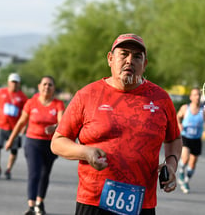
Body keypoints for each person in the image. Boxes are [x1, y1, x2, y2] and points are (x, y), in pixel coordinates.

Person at [51, 33, 182, 215]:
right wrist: (86, 152)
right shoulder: (87, 95)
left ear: (144, 65)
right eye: (124, 54)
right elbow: (58, 141)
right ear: (110, 59)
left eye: (137, 56)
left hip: (141, 203)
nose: (130, 60)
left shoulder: (161, 99)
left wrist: (172, 165)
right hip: (93, 200)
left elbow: (174, 139)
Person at [6, 76, 65, 215]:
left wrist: (55, 127)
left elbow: (62, 122)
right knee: (35, 173)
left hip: (50, 144)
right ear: (39, 86)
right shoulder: (31, 103)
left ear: (53, 88)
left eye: (50, 85)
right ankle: (31, 205)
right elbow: (21, 122)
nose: (47, 87)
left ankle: (40, 202)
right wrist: (11, 139)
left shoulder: (58, 104)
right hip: (33, 142)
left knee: (45, 174)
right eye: (44, 84)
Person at [0, 73, 28, 180]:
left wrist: (24, 126)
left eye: (16, 82)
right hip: (0, 126)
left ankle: (8, 169)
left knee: (14, 150)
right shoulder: (1, 92)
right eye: (12, 82)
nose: (14, 84)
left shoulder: (23, 97)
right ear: (8, 82)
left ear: (19, 84)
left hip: (15, 128)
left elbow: (27, 113)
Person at [176, 87, 205, 194]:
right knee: (185, 159)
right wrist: (179, 124)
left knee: (192, 165)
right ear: (191, 97)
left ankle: (186, 180)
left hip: (196, 140)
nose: (197, 97)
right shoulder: (185, 108)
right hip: (186, 137)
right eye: (195, 95)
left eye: (199, 95)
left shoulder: (203, 111)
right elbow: (178, 117)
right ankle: (181, 174)